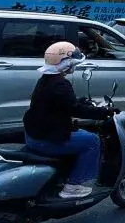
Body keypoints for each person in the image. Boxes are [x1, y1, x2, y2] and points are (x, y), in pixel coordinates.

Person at [23, 42, 113, 199]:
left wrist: (82, 102)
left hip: (34, 135)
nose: (74, 66)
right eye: (72, 63)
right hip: (46, 140)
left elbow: (63, 104)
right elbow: (75, 109)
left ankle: (64, 174)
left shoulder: (46, 80)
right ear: (65, 63)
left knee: (82, 134)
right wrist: (103, 112)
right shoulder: (60, 84)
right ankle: (74, 185)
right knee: (93, 141)